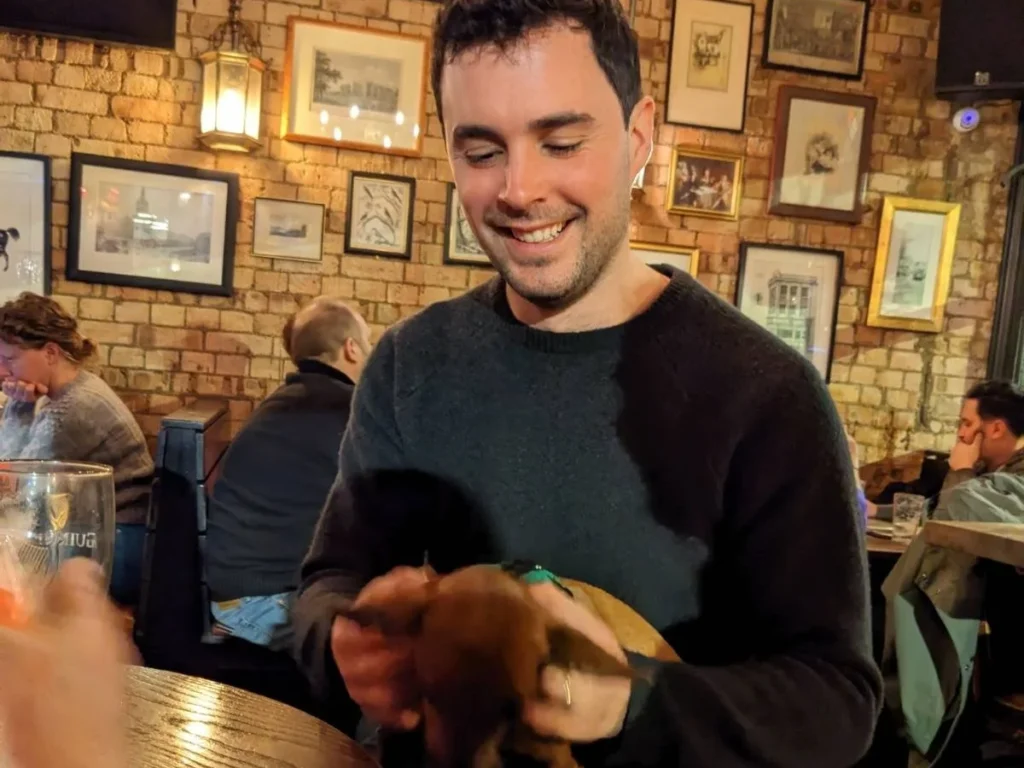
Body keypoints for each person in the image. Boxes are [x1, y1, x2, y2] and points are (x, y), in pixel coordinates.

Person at [293, 0, 881, 765]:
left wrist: (628, 699)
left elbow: (837, 703)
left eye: (561, 141)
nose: (519, 188)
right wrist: (347, 640)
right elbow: (327, 583)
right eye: (480, 152)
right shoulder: (410, 365)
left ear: (639, 139)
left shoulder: (769, 396)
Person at [205, 296, 371, 649]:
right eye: (368, 344)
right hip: (261, 605)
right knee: (401, 637)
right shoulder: (342, 410)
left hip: (239, 595)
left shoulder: (289, 402)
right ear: (352, 349)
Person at [0, 293, 154, 606]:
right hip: (107, 537)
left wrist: (17, 404)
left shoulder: (76, 406)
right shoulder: (70, 391)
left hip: (115, 550)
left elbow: (12, 484)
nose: (2, 371)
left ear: (50, 353)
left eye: (9, 359)